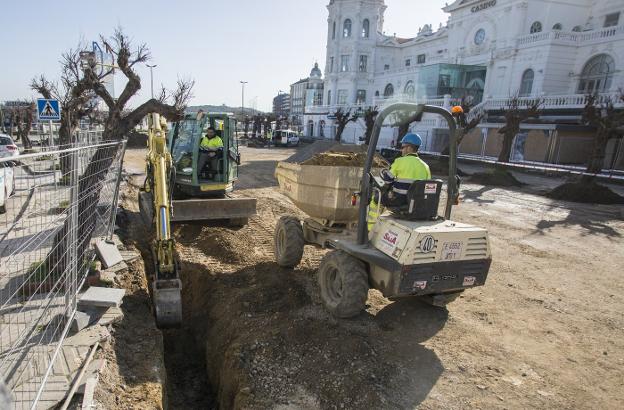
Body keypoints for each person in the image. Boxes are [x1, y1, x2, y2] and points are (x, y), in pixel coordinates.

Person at [368, 133, 431, 229]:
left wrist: (385, 173)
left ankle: (370, 228)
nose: (401, 150)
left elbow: (388, 180)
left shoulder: (399, 161)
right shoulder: (425, 166)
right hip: (417, 203)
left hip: (399, 200)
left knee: (376, 199)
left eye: (403, 147)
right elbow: (428, 186)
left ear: (409, 148)